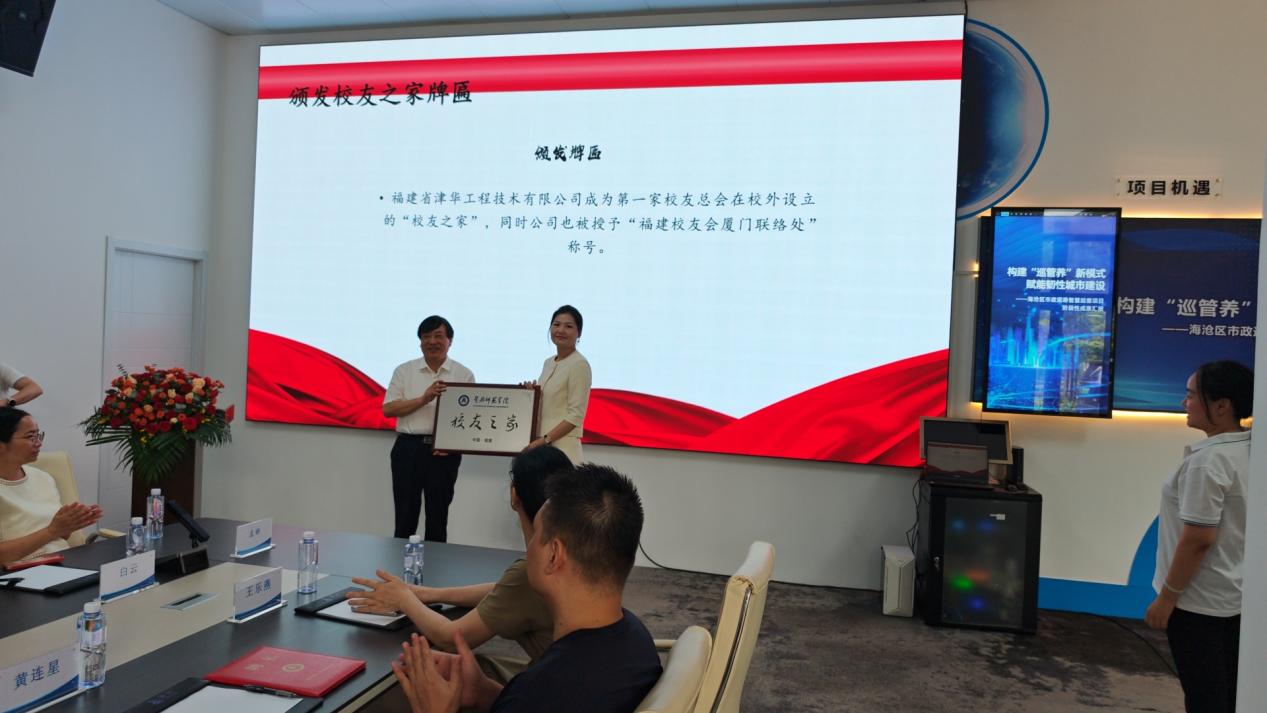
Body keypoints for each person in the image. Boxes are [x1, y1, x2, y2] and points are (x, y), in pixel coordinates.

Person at [391, 464, 662, 713]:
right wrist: (485, 692)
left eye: (536, 535)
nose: (529, 547)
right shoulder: (638, 641)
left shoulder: (537, 693)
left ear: (554, 555)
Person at [348, 445, 572, 681]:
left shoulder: (534, 571)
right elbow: (504, 590)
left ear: (514, 495)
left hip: (556, 685)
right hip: (577, 677)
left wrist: (404, 599)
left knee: (448, 668)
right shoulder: (573, 552)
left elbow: (451, 637)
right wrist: (429, 594)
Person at [1145, 360, 1252, 713]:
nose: (1184, 402)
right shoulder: (1247, 449)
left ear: (1221, 406)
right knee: (1226, 691)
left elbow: (1198, 539)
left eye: (1191, 395)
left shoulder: (1209, 461)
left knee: (1205, 695)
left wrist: (1167, 598)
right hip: (1232, 595)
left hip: (1196, 603)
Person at [383, 316, 475, 542]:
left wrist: (453, 445)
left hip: (444, 453)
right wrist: (423, 399)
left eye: (438, 336)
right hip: (408, 449)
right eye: (426, 337)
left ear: (450, 341)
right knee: (405, 516)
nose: (432, 341)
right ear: (420, 342)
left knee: (438, 517)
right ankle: (400, 561)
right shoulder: (404, 371)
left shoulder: (463, 374)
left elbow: (470, 419)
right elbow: (389, 409)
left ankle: (436, 564)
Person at [0, 408, 102, 563]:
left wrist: (70, 524)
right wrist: (52, 531)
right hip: (18, 570)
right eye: (30, 437)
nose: (39, 443)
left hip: (61, 560)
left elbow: (60, 537)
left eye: (38, 435)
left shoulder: (43, 478)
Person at [524, 305, 591, 465]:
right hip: (542, 447)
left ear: (579, 333)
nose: (560, 330)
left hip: (563, 449)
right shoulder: (548, 363)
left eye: (568, 326)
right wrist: (532, 394)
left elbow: (575, 416)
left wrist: (544, 440)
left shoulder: (579, 364)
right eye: (556, 324)